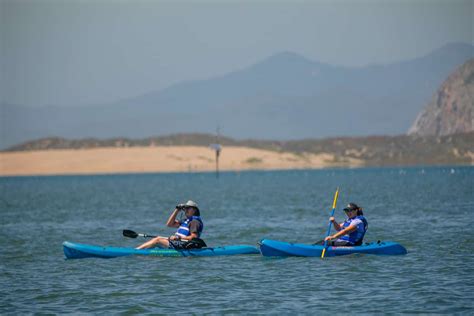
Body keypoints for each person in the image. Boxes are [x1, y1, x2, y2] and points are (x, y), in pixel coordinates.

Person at [136, 200, 205, 250]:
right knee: (157, 239)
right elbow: (169, 224)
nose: (185, 210)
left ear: (194, 210)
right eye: (185, 208)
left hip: (184, 245)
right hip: (178, 243)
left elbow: (193, 237)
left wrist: (179, 238)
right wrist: (177, 210)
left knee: (158, 240)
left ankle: (136, 251)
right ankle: (141, 250)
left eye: (188, 208)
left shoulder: (194, 222)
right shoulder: (186, 221)